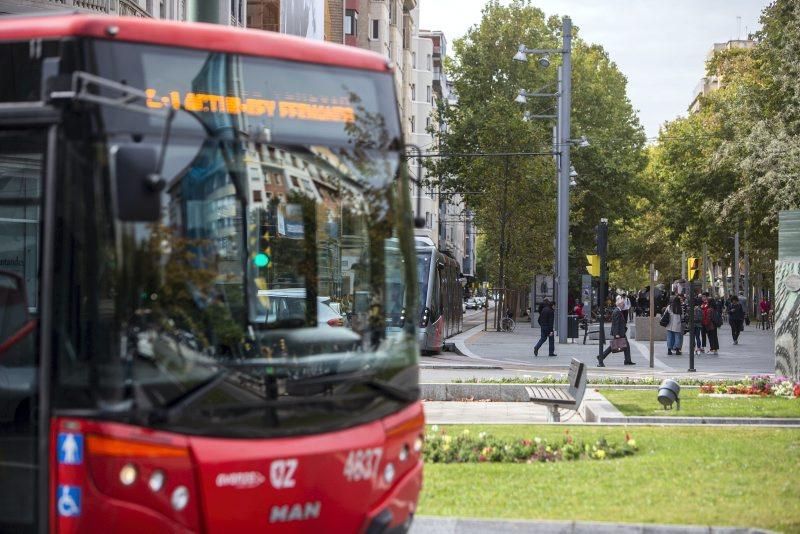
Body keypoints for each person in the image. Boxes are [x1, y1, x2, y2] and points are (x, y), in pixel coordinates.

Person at [597, 296, 635, 367]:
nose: (623, 304)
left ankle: (627, 360)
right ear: (619, 304)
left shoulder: (618, 310)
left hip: (621, 332)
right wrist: (617, 333)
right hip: (619, 332)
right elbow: (616, 323)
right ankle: (601, 357)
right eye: (622, 303)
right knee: (613, 346)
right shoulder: (617, 311)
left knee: (625, 345)